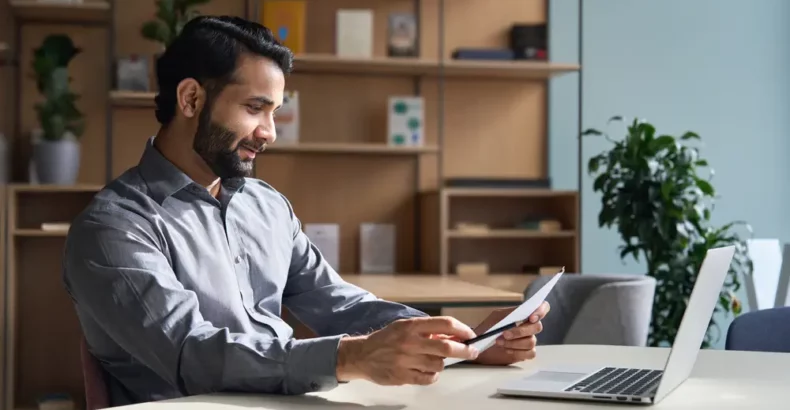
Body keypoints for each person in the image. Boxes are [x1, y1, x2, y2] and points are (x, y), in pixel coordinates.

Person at [62, 15, 550, 406]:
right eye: (256, 108)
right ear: (191, 98)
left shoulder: (266, 206)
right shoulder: (113, 227)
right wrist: (349, 358)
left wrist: (457, 341)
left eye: (274, 111)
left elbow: (338, 303)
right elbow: (193, 353)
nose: (270, 132)